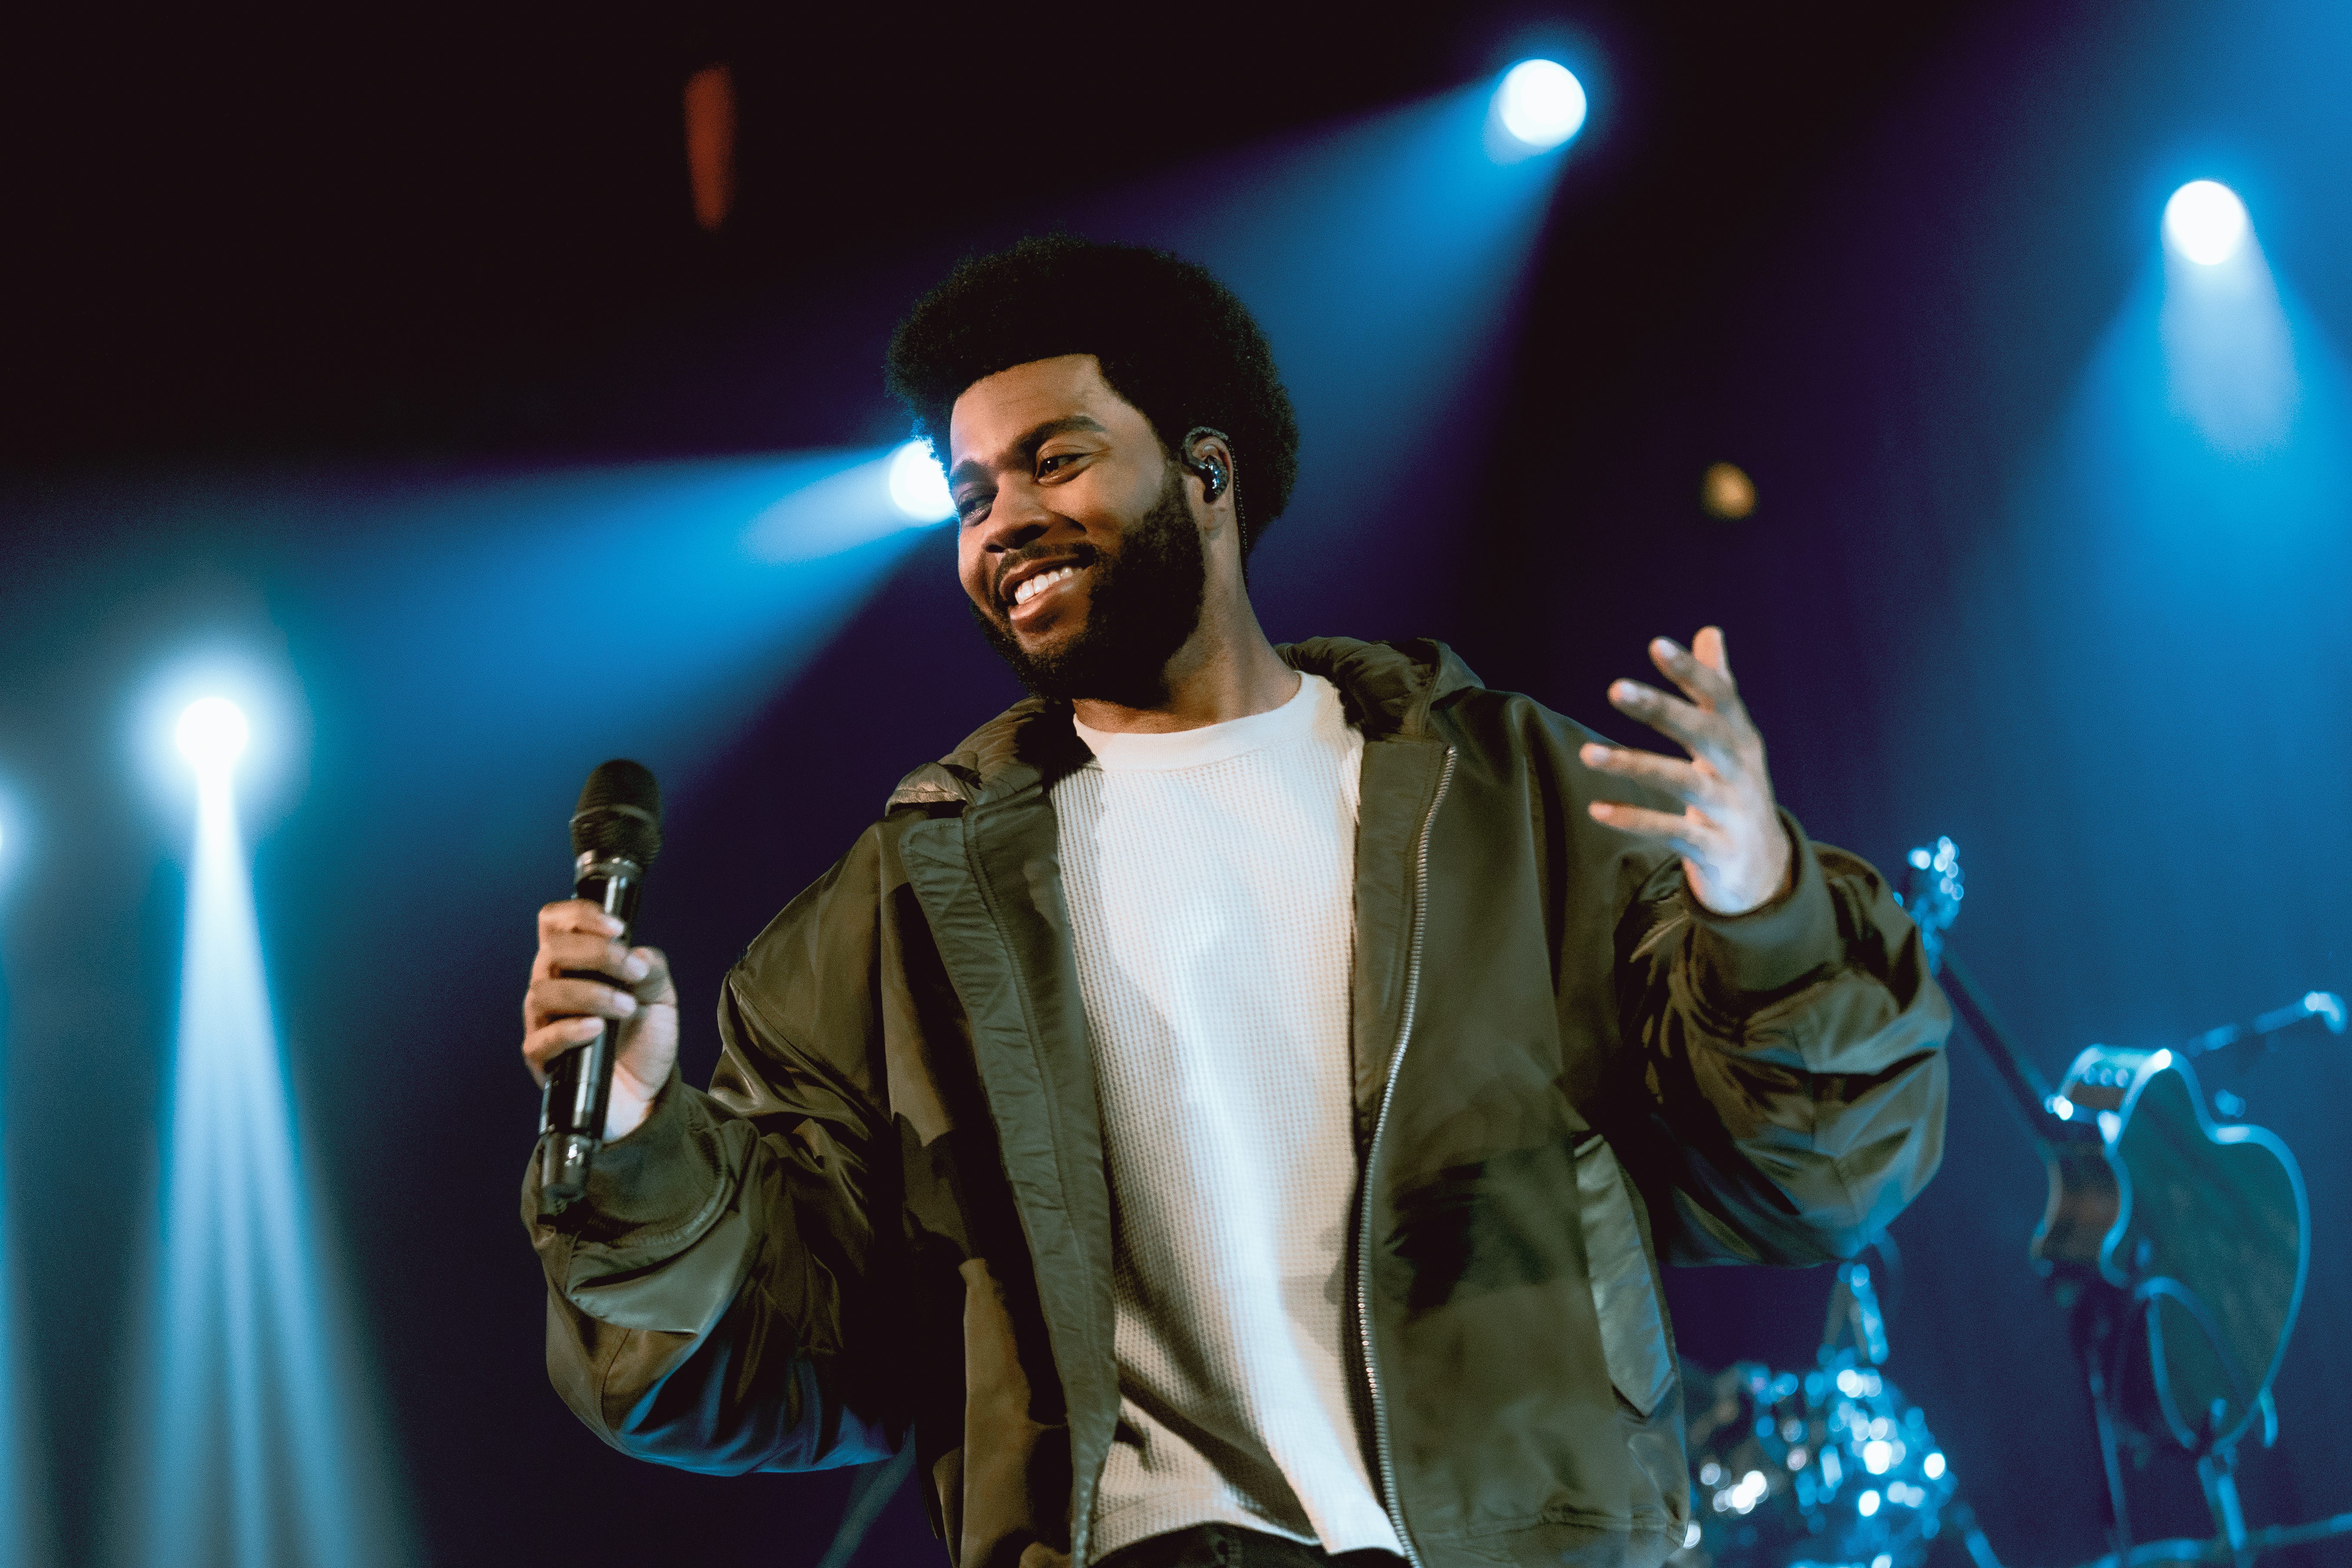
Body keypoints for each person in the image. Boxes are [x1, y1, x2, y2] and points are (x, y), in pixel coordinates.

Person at [518, 236, 1949, 1568]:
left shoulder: (1505, 795)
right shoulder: (893, 916)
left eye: (1053, 461)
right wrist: (640, 1134)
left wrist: (1760, 907)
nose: (1003, 523)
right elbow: (764, 1354)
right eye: (971, 496)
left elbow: (1825, 1173)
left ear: (1206, 472)